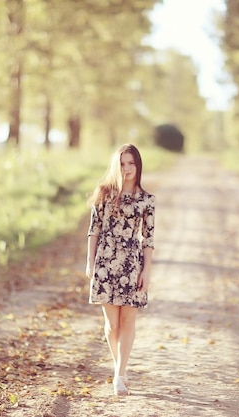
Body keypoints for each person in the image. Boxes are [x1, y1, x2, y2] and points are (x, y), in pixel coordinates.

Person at [85, 143, 155, 396]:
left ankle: (119, 374)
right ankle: (118, 368)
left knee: (128, 320)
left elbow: (148, 239)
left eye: (131, 163)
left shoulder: (147, 200)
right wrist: (90, 261)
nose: (126, 169)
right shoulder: (104, 194)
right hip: (105, 262)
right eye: (122, 163)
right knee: (111, 325)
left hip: (132, 265)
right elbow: (94, 230)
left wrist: (146, 271)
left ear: (138, 166)